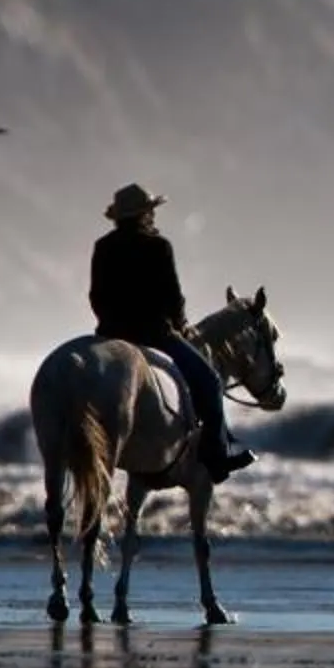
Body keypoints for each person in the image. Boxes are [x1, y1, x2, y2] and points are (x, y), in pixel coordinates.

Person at [89, 183, 253, 479]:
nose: (153, 216)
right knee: (210, 381)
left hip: (110, 335)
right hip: (153, 333)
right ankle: (217, 454)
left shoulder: (104, 246)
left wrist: (109, 325)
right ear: (144, 214)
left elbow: (96, 296)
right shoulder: (158, 246)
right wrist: (180, 326)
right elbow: (172, 296)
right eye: (150, 211)